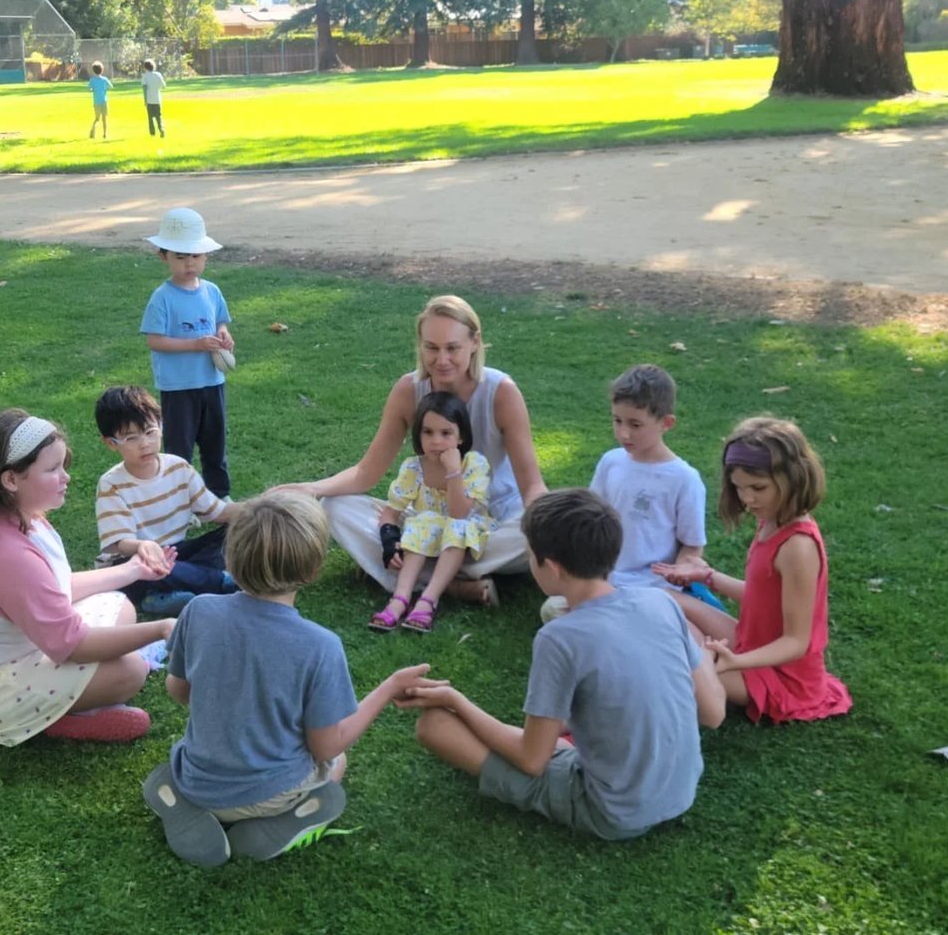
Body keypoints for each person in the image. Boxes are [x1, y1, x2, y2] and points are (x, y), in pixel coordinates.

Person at [399, 489, 726, 840]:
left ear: (551, 567)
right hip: (680, 793)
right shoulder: (660, 603)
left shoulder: (559, 637)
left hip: (612, 811)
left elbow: (531, 760)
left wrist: (455, 701)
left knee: (434, 725)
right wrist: (705, 657)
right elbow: (713, 714)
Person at [143, 492, 431, 866]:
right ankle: (287, 819)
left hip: (196, 780)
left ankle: (184, 803)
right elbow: (327, 747)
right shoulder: (320, 647)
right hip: (269, 794)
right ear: (313, 570)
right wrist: (389, 686)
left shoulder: (198, 611)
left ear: (230, 557)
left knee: (188, 758)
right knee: (337, 762)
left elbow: (178, 692)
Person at [0, 409, 177, 746]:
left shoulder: (18, 517)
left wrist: (132, 570)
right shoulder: (7, 553)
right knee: (129, 672)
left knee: (119, 605)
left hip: (13, 652)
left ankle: (59, 706)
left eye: (63, 466)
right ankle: (54, 721)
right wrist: (160, 629)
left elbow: (54, 589)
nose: (66, 477)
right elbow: (75, 647)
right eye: (53, 469)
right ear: (11, 480)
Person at [279, 295, 548, 607]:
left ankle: (414, 576)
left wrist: (548, 522)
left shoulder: (501, 391)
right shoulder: (409, 390)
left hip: (491, 520)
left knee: (532, 533)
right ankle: (452, 586)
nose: (442, 359)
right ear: (420, 345)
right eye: (431, 347)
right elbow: (367, 472)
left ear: (475, 343)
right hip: (425, 516)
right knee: (336, 508)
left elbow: (531, 485)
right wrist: (310, 489)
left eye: (452, 348)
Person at [660, 417, 852, 724]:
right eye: (739, 488)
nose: (747, 499)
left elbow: (796, 642)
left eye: (758, 488)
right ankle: (703, 660)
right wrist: (708, 576)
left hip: (783, 677)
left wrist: (735, 661)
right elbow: (764, 596)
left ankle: (703, 678)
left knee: (671, 662)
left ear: (792, 478)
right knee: (666, 600)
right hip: (752, 643)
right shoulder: (773, 519)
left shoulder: (798, 547)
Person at [541, 364, 720, 623]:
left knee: (638, 619)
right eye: (617, 421)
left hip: (652, 588)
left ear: (666, 423)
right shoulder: (611, 462)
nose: (623, 433)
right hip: (603, 579)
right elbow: (590, 518)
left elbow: (692, 544)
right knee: (552, 609)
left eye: (635, 424)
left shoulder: (684, 479)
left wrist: (680, 571)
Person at [94, 385, 238, 618]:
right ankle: (222, 582)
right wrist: (143, 546)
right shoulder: (112, 484)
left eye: (150, 432)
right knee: (144, 566)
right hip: (132, 561)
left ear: (161, 426)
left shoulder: (178, 468)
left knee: (235, 532)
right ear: (111, 443)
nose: (145, 443)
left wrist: (261, 508)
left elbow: (218, 512)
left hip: (174, 552)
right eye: (131, 438)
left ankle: (160, 595)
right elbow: (120, 542)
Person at [370, 391, 492, 633]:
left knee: (457, 526)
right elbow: (391, 511)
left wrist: (453, 472)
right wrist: (388, 540)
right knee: (421, 520)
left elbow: (458, 513)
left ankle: (429, 599)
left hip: (465, 536)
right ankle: (400, 598)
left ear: (461, 437)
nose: (436, 441)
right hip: (424, 536)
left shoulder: (474, 464)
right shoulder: (414, 467)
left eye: (446, 433)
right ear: (418, 434)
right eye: (428, 432)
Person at [141, 207, 233, 500]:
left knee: (214, 442)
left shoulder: (212, 291)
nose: (188, 264)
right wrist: (194, 345)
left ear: (205, 256)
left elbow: (220, 321)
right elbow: (155, 341)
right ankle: (180, 498)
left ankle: (218, 493)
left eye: (195, 256)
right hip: (178, 386)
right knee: (179, 448)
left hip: (211, 381)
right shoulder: (162, 298)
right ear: (163, 257)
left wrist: (224, 335)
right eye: (179, 257)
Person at [141, 58, 167, 138]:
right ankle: (161, 129)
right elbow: (164, 86)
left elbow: (144, 89)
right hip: (157, 99)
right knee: (158, 116)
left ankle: (152, 133)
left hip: (149, 100)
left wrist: (145, 100)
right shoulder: (158, 75)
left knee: (150, 117)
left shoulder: (145, 76)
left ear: (145, 67)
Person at [87, 61, 111, 139]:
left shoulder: (92, 80)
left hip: (96, 102)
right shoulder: (104, 79)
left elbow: (89, 88)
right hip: (104, 101)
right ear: (102, 70)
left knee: (97, 118)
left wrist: (93, 89)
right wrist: (104, 88)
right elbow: (111, 86)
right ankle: (104, 134)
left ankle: (92, 131)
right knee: (104, 119)